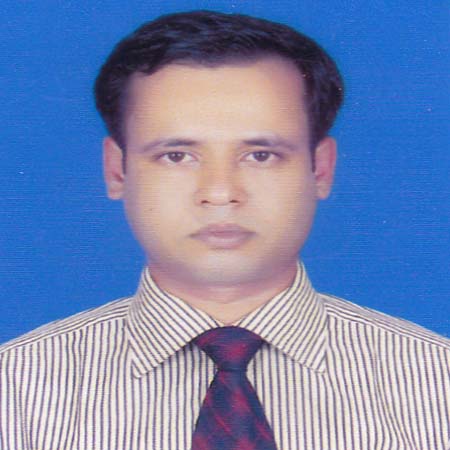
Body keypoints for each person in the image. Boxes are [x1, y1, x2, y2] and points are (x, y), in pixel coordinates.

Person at [1, 10, 449, 450]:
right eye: (177, 156)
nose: (220, 193)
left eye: (261, 155)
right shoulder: (16, 390)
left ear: (321, 168)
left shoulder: (436, 382)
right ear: (117, 170)